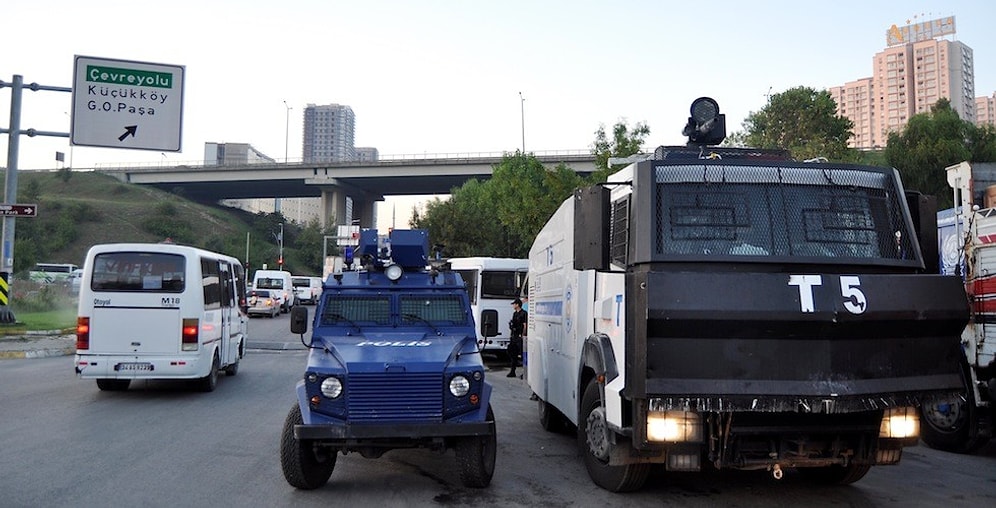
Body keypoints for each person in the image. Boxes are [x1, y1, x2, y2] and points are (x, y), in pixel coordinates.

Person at [507, 298, 527, 377]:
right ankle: (512, 371)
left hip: (520, 336)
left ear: (517, 304)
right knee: (513, 353)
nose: (513, 305)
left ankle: (525, 372)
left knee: (522, 354)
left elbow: (525, 325)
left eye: (514, 304)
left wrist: (523, 334)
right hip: (514, 336)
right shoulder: (515, 314)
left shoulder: (524, 313)